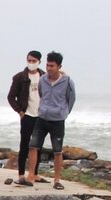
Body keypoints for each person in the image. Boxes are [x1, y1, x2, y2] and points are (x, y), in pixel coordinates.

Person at [24, 51, 76, 190]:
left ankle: (57, 180)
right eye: (47, 65)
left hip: (57, 120)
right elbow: (41, 94)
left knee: (57, 151)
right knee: (33, 146)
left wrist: (63, 113)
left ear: (59, 66)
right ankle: (30, 176)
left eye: (52, 66)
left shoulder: (67, 82)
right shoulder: (43, 80)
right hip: (42, 118)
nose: (48, 68)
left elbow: (71, 100)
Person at [7, 50, 43, 185]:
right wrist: (20, 111)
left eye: (34, 61)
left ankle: (34, 174)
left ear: (39, 62)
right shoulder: (19, 77)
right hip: (27, 115)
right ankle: (21, 174)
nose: (31, 63)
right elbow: (11, 97)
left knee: (38, 146)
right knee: (25, 145)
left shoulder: (44, 77)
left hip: (41, 116)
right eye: (29, 60)